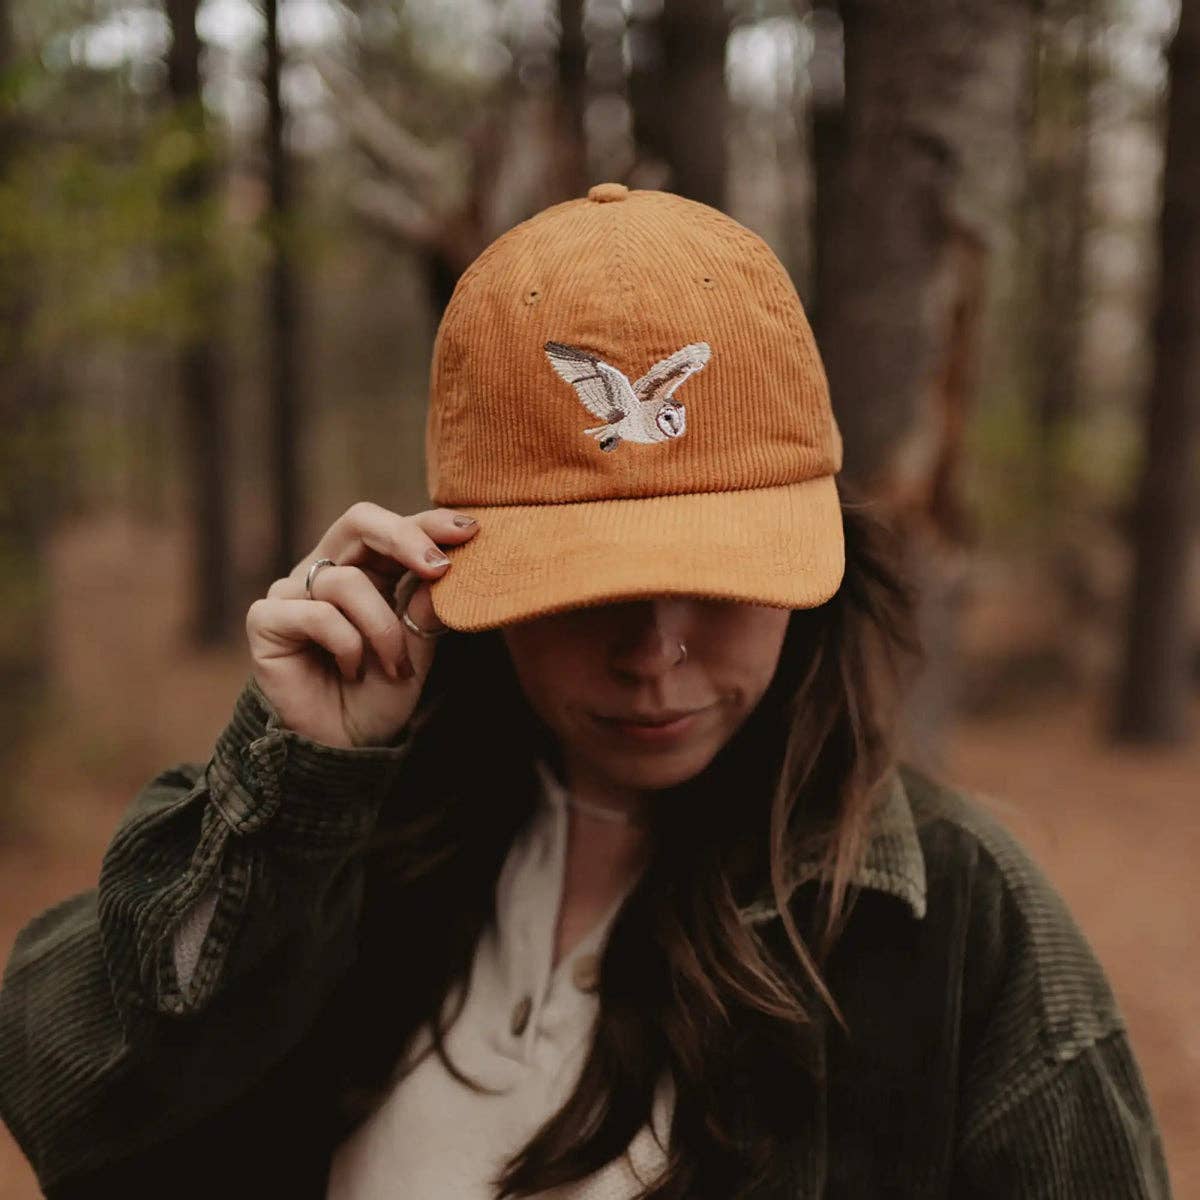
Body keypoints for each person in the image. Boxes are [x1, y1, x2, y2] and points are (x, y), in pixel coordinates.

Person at [0, 183, 1171, 1200]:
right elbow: (71, 1097)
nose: (652, 652)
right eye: (581, 589)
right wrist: (299, 786)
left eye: (714, 581)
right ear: (456, 566)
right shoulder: (370, 834)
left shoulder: (957, 922)